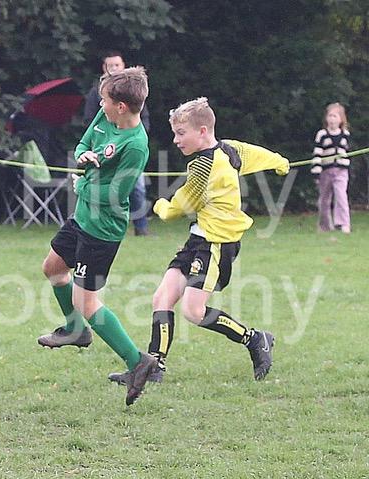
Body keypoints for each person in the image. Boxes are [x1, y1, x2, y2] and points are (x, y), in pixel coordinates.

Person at [108, 97, 290, 386]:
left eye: (181, 133)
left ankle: (256, 339)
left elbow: (182, 204)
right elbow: (254, 154)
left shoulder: (204, 166)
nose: (176, 140)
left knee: (193, 311)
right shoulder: (228, 148)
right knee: (162, 297)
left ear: (202, 131)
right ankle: (154, 366)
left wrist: (161, 207)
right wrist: (279, 162)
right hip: (198, 239)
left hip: (216, 244)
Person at [37, 67, 157, 406]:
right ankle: (75, 331)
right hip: (82, 218)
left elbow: (117, 194)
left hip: (102, 230)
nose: (99, 105)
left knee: (87, 302)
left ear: (121, 106)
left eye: (104, 101)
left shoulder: (136, 146)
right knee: (52, 268)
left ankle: (138, 362)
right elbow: (84, 143)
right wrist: (82, 156)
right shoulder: (106, 118)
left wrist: (83, 185)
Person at [84, 50, 151, 236]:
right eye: (110, 65)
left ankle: (141, 227)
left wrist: (131, 138)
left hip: (128, 151)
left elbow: (142, 118)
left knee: (137, 189)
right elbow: (90, 122)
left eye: (117, 65)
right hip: (102, 154)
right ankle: (94, 222)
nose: (113, 68)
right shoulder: (96, 94)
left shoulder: (133, 95)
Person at [310, 102, 351, 233]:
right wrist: (316, 171)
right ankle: (325, 226)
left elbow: (346, 151)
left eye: (335, 116)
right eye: (330, 116)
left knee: (341, 196)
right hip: (325, 171)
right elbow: (317, 153)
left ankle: (343, 224)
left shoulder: (345, 134)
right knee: (324, 199)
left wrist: (344, 162)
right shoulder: (322, 134)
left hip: (341, 171)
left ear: (341, 119)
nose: (332, 119)